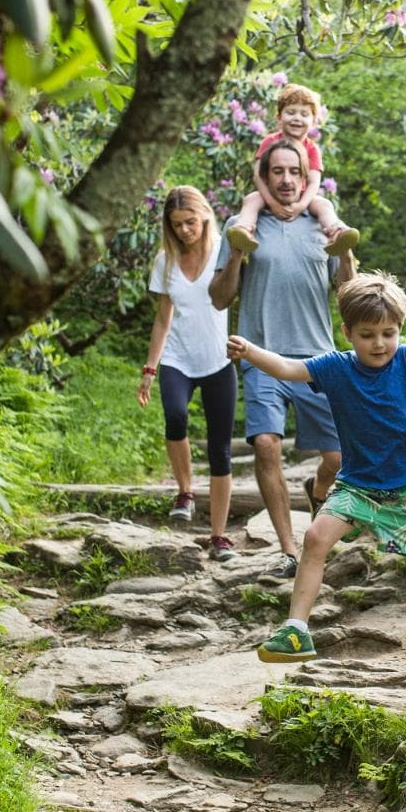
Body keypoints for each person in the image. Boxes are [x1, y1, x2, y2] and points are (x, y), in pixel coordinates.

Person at [226, 270, 406, 691]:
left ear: (399, 331)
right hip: (356, 485)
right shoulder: (335, 367)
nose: (380, 344)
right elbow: (288, 368)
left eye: (389, 333)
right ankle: (296, 629)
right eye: (368, 334)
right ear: (348, 332)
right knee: (315, 538)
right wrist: (250, 351)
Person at [209, 140, 357, 577]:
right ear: (265, 176)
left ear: (306, 176)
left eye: (295, 171)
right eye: (278, 171)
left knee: (338, 457)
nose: (287, 180)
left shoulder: (323, 224)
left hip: (317, 360)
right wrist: (237, 253)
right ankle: (290, 549)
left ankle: (318, 490)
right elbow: (219, 298)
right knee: (267, 444)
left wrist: (345, 255)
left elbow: (348, 295)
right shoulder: (243, 225)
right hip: (261, 353)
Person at [137, 186, 237, 560]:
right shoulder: (166, 261)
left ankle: (220, 537)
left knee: (221, 450)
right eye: (177, 224)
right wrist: (150, 368)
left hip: (217, 361)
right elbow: (163, 318)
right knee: (175, 417)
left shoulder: (222, 256)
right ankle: (185, 491)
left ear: (205, 217)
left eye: (190, 222)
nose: (184, 230)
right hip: (177, 358)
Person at [225, 82, 360, 256]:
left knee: (324, 204)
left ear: (313, 121)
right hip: (271, 194)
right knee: (251, 199)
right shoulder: (269, 142)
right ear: (279, 117)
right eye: (291, 112)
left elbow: (313, 182)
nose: (297, 118)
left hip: (303, 197)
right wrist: (272, 204)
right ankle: (243, 230)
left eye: (304, 114)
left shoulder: (311, 149)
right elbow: (258, 176)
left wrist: (300, 206)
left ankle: (336, 232)